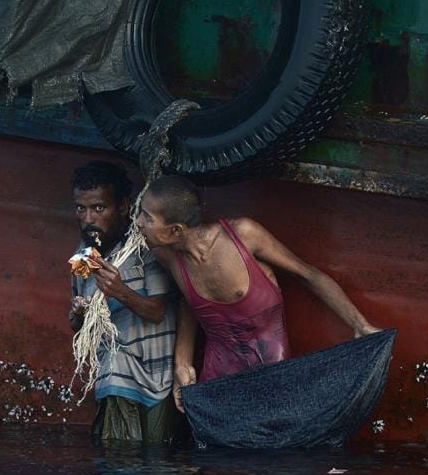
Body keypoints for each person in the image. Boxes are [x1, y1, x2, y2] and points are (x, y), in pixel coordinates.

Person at [135, 175, 381, 412]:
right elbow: (189, 304)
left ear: (176, 230)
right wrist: (182, 364)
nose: (138, 223)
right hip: (217, 381)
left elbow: (308, 274)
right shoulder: (166, 254)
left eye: (147, 217)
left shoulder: (243, 235)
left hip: (271, 375)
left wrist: (360, 324)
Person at [69, 161, 179, 443]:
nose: (88, 218)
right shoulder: (83, 256)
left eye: (98, 208)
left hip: (157, 377)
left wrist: (120, 291)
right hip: (114, 376)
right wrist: (79, 314)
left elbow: (158, 312)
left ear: (123, 206)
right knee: (117, 454)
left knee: (157, 454)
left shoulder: (145, 248)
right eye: (81, 208)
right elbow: (78, 327)